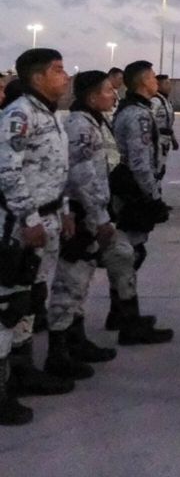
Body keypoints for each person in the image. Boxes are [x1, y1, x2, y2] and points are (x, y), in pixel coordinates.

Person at [0, 49, 73, 426]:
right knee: (8, 306)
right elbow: (7, 172)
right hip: (18, 225)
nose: (65, 76)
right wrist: (29, 219)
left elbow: (51, 170)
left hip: (46, 220)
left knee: (31, 300)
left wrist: (61, 212)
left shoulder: (49, 113)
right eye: (58, 70)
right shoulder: (19, 114)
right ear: (37, 77)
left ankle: (22, 371)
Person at [45, 71, 124, 383]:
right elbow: (80, 176)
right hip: (82, 213)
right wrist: (99, 216)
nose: (113, 95)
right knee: (70, 280)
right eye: (107, 90)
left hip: (90, 211)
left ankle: (75, 338)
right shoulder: (80, 125)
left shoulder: (92, 121)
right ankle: (58, 351)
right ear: (92, 97)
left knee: (82, 278)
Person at [111, 61, 173, 344]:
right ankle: (128, 320)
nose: (156, 81)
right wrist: (153, 196)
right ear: (141, 82)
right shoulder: (138, 115)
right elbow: (139, 160)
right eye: (151, 77)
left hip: (129, 189)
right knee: (131, 253)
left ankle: (119, 313)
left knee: (131, 252)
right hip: (133, 192)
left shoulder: (135, 110)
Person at [151, 75, 178, 188]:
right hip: (158, 139)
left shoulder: (166, 101)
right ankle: (154, 197)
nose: (169, 86)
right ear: (158, 85)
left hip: (165, 139)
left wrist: (173, 139)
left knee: (161, 168)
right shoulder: (155, 101)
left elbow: (168, 123)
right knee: (157, 169)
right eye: (166, 83)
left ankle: (157, 195)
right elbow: (150, 118)